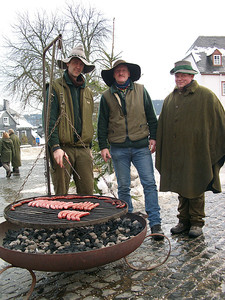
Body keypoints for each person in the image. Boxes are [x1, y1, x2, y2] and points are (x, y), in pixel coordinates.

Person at [156, 60, 225, 238]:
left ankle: (196, 222)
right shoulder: (170, 99)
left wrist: (211, 147)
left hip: (197, 151)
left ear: (192, 76)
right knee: (181, 185)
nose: (179, 78)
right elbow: (163, 125)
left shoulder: (206, 96)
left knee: (195, 185)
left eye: (183, 75)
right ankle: (183, 220)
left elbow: (219, 122)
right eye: (177, 75)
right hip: (177, 152)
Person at [97, 59, 164, 240]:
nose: (121, 72)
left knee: (149, 184)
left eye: (124, 70)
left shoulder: (141, 91)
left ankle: (156, 224)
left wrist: (154, 137)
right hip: (118, 149)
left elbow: (152, 116)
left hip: (141, 146)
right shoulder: (106, 96)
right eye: (118, 70)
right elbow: (101, 123)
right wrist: (103, 145)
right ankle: (129, 222)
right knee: (123, 188)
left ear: (129, 73)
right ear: (114, 74)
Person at [44, 45, 95, 195]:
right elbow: (49, 120)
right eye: (75, 62)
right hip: (62, 148)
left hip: (83, 148)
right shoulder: (55, 87)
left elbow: (87, 121)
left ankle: (85, 218)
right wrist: (55, 147)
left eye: (81, 64)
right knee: (61, 194)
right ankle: (61, 218)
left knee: (87, 193)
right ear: (68, 64)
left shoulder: (88, 92)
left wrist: (89, 147)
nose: (77, 66)